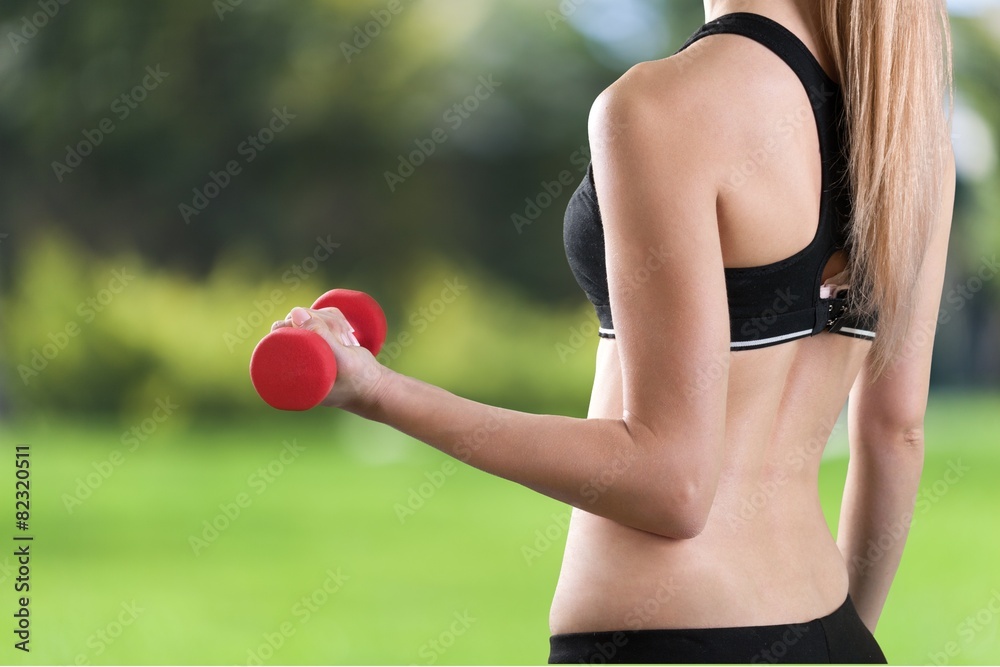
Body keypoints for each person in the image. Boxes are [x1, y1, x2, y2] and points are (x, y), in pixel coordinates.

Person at [272, 0, 955, 662]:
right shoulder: (904, 136)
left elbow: (672, 482)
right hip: (831, 629)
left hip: (666, 642)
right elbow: (897, 433)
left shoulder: (663, 105)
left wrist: (376, 391)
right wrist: (834, 642)